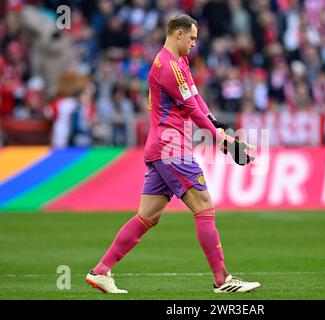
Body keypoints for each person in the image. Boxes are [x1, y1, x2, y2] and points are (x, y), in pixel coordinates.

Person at [85, 13, 259, 294]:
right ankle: (222, 280)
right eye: (191, 38)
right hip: (172, 149)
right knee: (204, 207)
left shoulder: (178, 61)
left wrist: (219, 129)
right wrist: (222, 142)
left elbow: (196, 98)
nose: (194, 44)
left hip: (161, 148)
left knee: (148, 216)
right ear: (178, 33)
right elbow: (190, 109)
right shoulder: (169, 67)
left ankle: (101, 271)